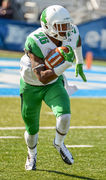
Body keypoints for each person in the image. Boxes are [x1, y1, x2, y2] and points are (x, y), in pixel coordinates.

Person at [20, 5, 87, 171]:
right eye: (60, 26)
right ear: (48, 26)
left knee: (64, 116)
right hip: (31, 85)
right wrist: (66, 64)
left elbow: (77, 40)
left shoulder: (71, 31)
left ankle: (59, 143)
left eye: (66, 25)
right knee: (32, 129)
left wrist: (79, 61)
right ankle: (32, 154)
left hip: (54, 83)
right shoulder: (35, 40)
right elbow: (42, 77)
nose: (65, 30)